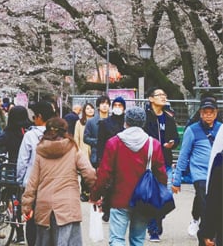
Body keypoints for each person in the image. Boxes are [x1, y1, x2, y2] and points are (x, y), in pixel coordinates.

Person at [91, 106, 167, 246]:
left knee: (117, 239)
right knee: (138, 240)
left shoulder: (114, 142)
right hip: (143, 200)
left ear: (126, 122)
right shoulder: (153, 144)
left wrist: (95, 195)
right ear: (143, 123)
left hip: (119, 198)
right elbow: (162, 175)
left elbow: (104, 173)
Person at [21, 117, 95, 246]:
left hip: (44, 206)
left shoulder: (40, 151)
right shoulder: (73, 149)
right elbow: (89, 172)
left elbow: (32, 182)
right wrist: (96, 193)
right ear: (65, 131)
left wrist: (27, 206)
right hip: (68, 206)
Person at [173, 96, 221, 245]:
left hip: (217, 175)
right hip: (200, 174)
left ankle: (211, 233)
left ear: (216, 112)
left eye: (211, 112)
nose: (208, 115)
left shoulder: (221, 129)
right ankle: (205, 234)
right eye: (205, 112)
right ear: (200, 113)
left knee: (216, 205)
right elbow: (183, 155)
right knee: (205, 203)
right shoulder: (192, 130)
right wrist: (177, 179)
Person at [17, 101, 56, 246]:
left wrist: (20, 181)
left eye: (34, 117)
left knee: (32, 220)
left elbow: (22, 162)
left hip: (33, 185)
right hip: (52, 184)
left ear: (39, 116)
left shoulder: (30, 136)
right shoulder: (58, 134)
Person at [143, 88, 179, 241]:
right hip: (149, 164)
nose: (163, 97)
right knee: (153, 197)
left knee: (166, 196)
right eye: (160, 95)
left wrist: (172, 143)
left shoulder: (169, 119)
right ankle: (154, 229)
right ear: (151, 99)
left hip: (166, 162)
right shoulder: (145, 118)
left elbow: (176, 139)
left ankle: (157, 218)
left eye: (165, 95)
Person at [73, 102, 95, 201]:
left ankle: (93, 192)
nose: (90, 110)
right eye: (87, 109)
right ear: (84, 111)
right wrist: (77, 150)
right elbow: (76, 137)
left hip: (94, 150)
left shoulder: (97, 122)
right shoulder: (79, 123)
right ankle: (84, 192)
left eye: (91, 108)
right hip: (83, 150)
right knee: (84, 173)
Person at [83, 95, 110, 168]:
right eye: (102, 103)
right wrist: (98, 141)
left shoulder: (112, 121)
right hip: (96, 156)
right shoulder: (91, 121)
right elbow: (85, 138)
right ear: (98, 106)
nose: (105, 105)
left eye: (107, 103)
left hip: (110, 156)